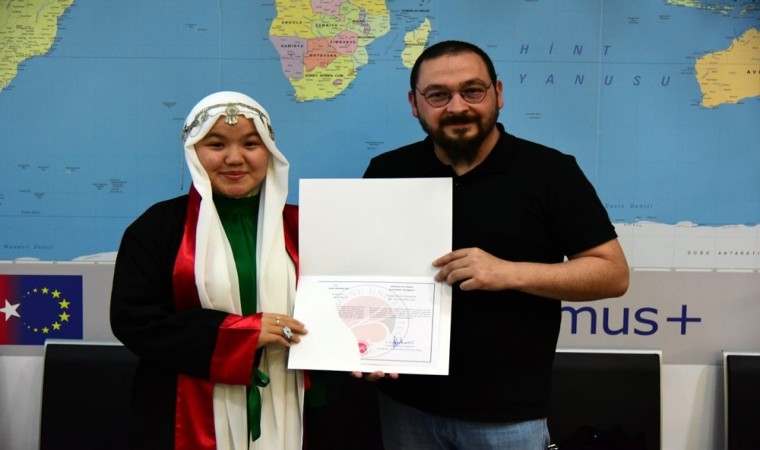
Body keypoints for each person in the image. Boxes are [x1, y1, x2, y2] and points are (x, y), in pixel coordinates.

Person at [359, 40, 630, 449]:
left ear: (498, 94)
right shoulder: (387, 171)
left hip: (508, 415)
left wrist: (507, 272)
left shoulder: (551, 172)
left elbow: (612, 274)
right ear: (415, 104)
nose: (457, 107)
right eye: (438, 95)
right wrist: (361, 347)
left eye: (473, 91)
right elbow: (363, 273)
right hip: (405, 404)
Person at [110, 91, 308, 449]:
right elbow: (135, 321)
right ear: (194, 151)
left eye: (251, 143)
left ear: (269, 151)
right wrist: (241, 335)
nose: (234, 158)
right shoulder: (157, 228)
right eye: (216, 145)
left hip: (290, 394)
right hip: (187, 405)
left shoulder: (304, 226)